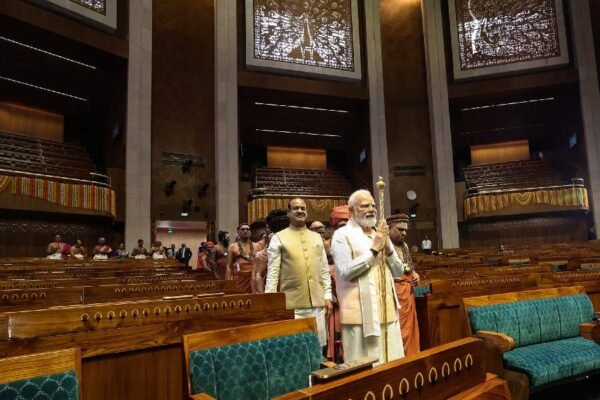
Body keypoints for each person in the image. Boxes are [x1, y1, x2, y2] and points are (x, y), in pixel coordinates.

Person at [331, 189, 404, 364]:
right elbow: (345, 272)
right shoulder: (342, 235)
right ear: (351, 210)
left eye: (373, 205)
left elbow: (399, 271)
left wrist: (387, 249)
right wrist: (374, 250)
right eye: (365, 206)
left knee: (393, 364)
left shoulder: (378, 234)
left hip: (387, 313)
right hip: (360, 316)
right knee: (366, 369)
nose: (371, 209)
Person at [266, 198, 333, 347]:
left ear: (307, 213)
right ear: (289, 213)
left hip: (317, 302)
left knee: (317, 347)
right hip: (291, 304)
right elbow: (273, 272)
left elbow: (324, 269)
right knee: (295, 348)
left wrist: (327, 295)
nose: (300, 211)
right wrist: (271, 301)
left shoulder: (316, 238)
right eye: (295, 208)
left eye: (303, 208)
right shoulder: (278, 238)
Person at [387, 214, 420, 356]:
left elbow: (410, 267)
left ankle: (412, 354)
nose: (404, 233)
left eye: (405, 230)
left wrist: (415, 274)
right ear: (389, 228)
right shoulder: (385, 245)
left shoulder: (405, 246)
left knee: (411, 327)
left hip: (408, 292)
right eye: (399, 229)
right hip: (393, 292)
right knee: (398, 329)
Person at [326, 204, 351, 362]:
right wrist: (329, 293)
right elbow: (321, 270)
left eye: (347, 225)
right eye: (341, 226)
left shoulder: (355, 239)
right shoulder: (328, 244)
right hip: (334, 289)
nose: (344, 229)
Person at [227, 224, 260, 293]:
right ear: (238, 232)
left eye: (247, 229)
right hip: (239, 279)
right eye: (243, 229)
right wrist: (228, 283)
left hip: (253, 277)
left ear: (250, 232)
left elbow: (260, 265)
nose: (245, 231)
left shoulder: (257, 246)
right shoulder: (232, 247)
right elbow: (229, 267)